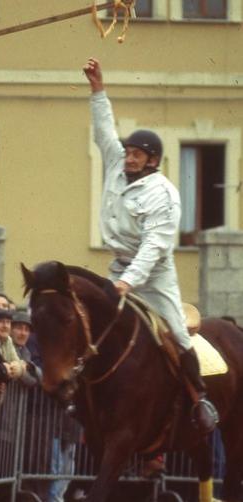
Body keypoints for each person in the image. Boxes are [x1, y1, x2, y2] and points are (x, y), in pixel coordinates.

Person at [84, 57, 218, 433]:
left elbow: (155, 247)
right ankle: (84, 396)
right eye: (128, 152)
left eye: (136, 155)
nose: (128, 157)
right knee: (94, 325)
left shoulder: (164, 194)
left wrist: (128, 283)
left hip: (153, 275)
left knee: (176, 330)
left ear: (152, 161)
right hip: (117, 266)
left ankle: (200, 399)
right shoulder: (117, 164)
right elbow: (104, 132)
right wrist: (98, 90)